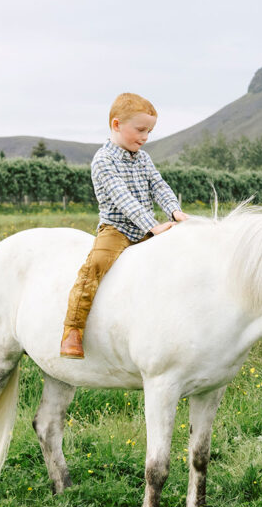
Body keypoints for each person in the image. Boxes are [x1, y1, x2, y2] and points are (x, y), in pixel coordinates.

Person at [60, 93, 188, 359]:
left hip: (147, 229)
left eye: (149, 132)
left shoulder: (143, 158)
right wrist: (153, 226)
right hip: (117, 229)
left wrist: (174, 212)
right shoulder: (103, 160)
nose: (145, 137)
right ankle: (73, 329)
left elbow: (158, 185)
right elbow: (122, 199)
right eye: (140, 130)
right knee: (94, 268)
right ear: (117, 124)